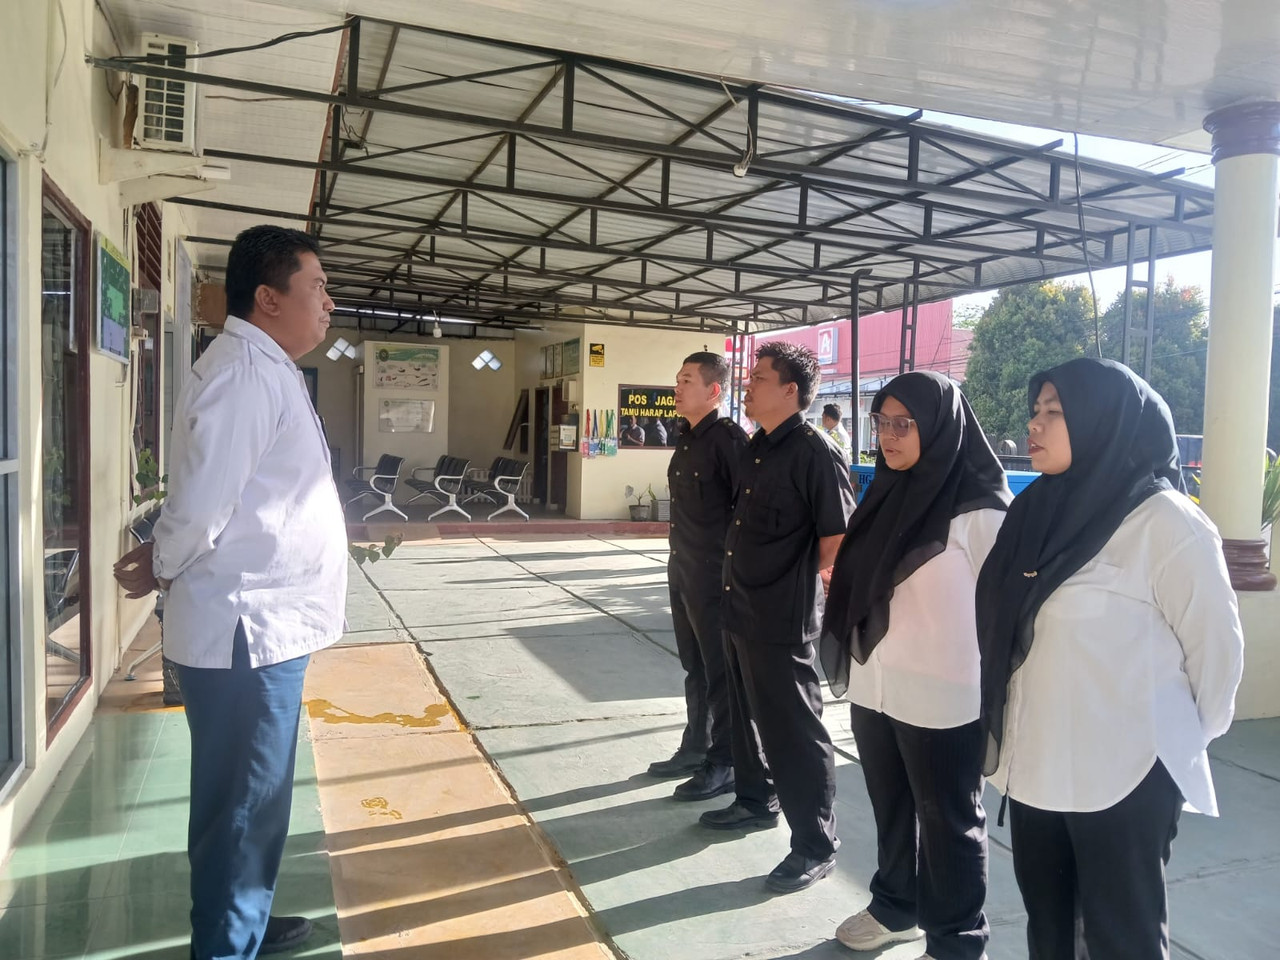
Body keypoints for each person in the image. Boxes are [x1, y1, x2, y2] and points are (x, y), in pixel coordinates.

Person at [114, 225, 349, 960]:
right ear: (268, 298)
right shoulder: (246, 373)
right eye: (317, 287)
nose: (329, 303)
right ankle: (226, 941)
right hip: (248, 630)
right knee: (243, 803)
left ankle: (243, 915)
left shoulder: (264, 366)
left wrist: (163, 552)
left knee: (253, 800)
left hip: (265, 626)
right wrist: (162, 561)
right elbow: (206, 502)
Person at [976, 358, 1244, 960]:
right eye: (1036, 410)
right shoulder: (1034, 513)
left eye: (1055, 411)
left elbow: (1218, 655)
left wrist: (1169, 744)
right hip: (1036, 764)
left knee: (1123, 938)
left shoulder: (1165, 522)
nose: (1034, 424)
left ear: (1106, 421)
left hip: (1126, 774)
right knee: (1049, 931)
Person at [821, 372, 1010, 959]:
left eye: (904, 424)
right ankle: (896, 907)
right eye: (881, 422)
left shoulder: (981, 513)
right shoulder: (884, 494)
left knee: (949, 820)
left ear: (939, 425)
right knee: (892, 807)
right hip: (877, 687)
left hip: (944, 697)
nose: (888, 436)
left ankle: (957, 940)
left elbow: (1009, 613)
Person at [700, 342, 856, 893]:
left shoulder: (814, 452)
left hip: (781, 616)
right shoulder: (758, 447)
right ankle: (754, 799)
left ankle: (815, 843)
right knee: (745, 714)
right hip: (739, 604)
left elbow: (837, 536)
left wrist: (790, 577)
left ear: (791, 390)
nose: (747, 386)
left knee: (794, 731)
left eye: (759, 378)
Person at [648, 353, 748, 800]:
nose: (677, 387)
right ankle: (696, 747)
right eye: (677, 378)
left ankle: (726, 761)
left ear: (714, 390)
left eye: (687, 380)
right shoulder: (687, 437)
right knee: (695, 666)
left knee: (720, 670)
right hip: (683, 569)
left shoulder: (728, 440)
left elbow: (746, 510)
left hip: (714, 576)